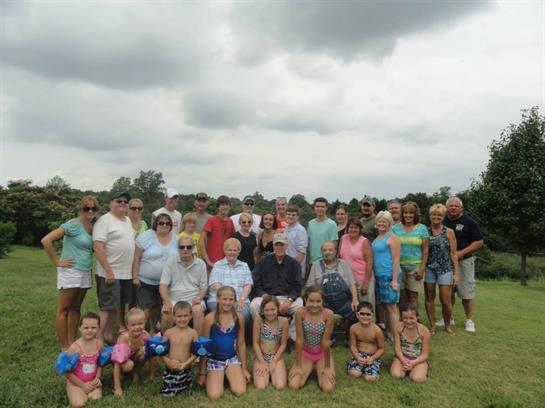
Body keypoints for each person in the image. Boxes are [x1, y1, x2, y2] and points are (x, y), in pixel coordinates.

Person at [42, 196, 100, 350]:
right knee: (64, 309)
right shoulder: (73, 225)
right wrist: (57, 262)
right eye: (87, 208)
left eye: (93, 208)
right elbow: (46, 240)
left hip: (85, 271)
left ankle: (72, 341)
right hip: (71, 271)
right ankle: (64, 346)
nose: (90, 211)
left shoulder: (93, 227)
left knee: (76, 308)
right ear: (80, 209)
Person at [93, 191, 135, 344]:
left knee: (115, 306)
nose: (123, 204)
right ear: (111, 203)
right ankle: (97, 339)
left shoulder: (127, 220)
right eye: (119, 201)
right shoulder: (104, 221)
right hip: (110, 273)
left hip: (125, 273)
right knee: (106, 307)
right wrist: (108, 271)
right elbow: (98, 247)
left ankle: (108, 336)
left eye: (125, 202)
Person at [199, 286, 251, 400]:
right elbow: (204, 346)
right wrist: (202, 373)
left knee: (240, 391)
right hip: (214, 360)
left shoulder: (238, 318)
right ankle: (217, 375)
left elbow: (241, 344)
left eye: (231, 299)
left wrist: (244, 369)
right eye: (224, 299)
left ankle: (229, 374)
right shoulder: (209, 318)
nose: (227, 302)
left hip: (231, 359)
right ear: (218, 299)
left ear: (235, 300)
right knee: (214, 395)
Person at [441, 196, 483, 333]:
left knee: (466, 292)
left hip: (464, 261)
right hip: (446, 262)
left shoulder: (469, 222)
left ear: (461, 208)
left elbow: (479, 242)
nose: (453, 208)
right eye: (451, 205)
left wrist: (461, 252)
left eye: (456, 206)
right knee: (448, 292)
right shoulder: (442, 220)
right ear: (446, 208)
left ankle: (469, 320)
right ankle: (449, 317)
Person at [250, 232, 303, 341]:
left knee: (300, 306)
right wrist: (264, 295)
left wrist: (289, 300)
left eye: (282, 245)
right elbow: (256, 283)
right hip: (267, 297)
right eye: (277, 245)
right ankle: (265, 333)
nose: (279, 247)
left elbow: (297, 286)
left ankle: (290, 337)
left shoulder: (294, 264)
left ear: (286, 246)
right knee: (254, 305)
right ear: (273, 246)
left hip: (286, 297)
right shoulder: (263, 262)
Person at [132, 213, 178, 335]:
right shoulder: (145, 237)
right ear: (156, 224)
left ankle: (153, 331)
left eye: (167, 223)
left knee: (158, 308)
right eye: (161, 222)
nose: (164, 225)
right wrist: (135, 277)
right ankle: (141, 333)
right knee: (146, 308)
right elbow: (136, 257)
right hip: (145, 281)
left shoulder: (176, 239)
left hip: (166, 283)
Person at [288, 286, 335, 392]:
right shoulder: (300, 313)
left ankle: (320, 366)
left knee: (327, 388)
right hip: (306, 353)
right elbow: (299, 340)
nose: (315, 305)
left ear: (322, 301)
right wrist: (298, 366)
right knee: (294, 385)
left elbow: (326, 342)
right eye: (311, 301)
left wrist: (327, 367)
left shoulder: (328, 314)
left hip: (322, 354)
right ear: (305, 300)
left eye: (318, 301)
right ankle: (309, 367)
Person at [307, 241, 358, 333]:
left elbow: (352, 284)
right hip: (324, 304)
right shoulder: (316, 265)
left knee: (354, 309)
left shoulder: (343, 264)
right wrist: (313, 303)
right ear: (321, 252)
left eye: (330, 250)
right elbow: (310, 288)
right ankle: (326, 337)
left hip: (344, 303)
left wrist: (355, 299)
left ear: (335, 251)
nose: (328, 252)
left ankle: (349, 336)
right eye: (325, 250)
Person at [160, 236, 208, 334]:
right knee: (167, 312)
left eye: (189, 247)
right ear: (178, 248)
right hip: (174, 299)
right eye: (182, 247)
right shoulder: (170, 262)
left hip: (193, 298)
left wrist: (198, 298)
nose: (185, 249)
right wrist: (167, 302)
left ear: (193, 248)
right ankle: (165, 340)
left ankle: (197, 341)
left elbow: (204, 288)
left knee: (198, 310)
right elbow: (163, 286)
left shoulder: (201, 264)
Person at [425, 204, 460, 336]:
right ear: (430, 216)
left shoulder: (449, 232)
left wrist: (456, 273)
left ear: (443, 217)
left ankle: (447, 326)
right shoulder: (425, 231)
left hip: (445, 269)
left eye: (439, 215)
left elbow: (454, 253)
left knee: (445, 299)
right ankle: (433, 326)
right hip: (429, 268)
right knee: (429, 297)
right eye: (434, 214)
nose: (436, 217)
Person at [393, 202, 429, 314]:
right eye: (405, 213)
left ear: (415, 214)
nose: (408, 215)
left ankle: (414, 319)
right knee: (401, 297)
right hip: (399, 267)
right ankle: (403, 320)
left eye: (411, 213)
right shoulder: (395, 228)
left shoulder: (422, 228)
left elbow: (425, 249)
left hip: (415, 267)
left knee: (413, 297)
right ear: (402, 214)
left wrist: (422, 268)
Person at [207, 238, 253, 324]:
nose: (232, 252)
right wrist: (229, 301)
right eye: (229, 250)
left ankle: (238, 333)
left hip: (240, 300)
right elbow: (215, 284)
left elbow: (248, 285)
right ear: (225, 251)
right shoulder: (218, 265)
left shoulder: (244, 266)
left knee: (244, 314)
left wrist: (242, 299)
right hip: (219, 300)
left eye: (235, 250)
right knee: (223, 313)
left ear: (239, 252)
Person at [372, 211, 401, 340]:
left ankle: (396, 335)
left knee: (391, 307)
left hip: (389, 275)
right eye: (379, 221)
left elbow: (396, 259)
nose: (381, 223)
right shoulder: (378, 237)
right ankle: (389, 331)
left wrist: (394, 280)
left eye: (384, 221)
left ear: (390, 223)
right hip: (379, 275)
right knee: (385, 305)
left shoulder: (392, 237)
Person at [64, 312, 103, 407]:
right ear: (80, 328)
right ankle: (70, 387)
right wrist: (82, 385)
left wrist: (98, 378)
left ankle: (87, 390)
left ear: (98, 328)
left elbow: (100, 363)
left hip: (92, 380)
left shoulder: (99, 344)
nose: (90, 330)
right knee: (79, 404)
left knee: (96, 398)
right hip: (76, 382)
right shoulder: (74, 348)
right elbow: (67, 372)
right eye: (86, 327)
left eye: (93, 327)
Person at [160, 301, 199, 397]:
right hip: (170, 369)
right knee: (167, 394)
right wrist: (168, 362)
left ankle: (184, 386)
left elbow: (196, 352)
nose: (182, 319)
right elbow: (161, 351)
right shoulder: (168, 333)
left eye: (185, 316)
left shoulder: (193, 333)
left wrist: (187, 363)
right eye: (179, 316)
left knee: (186, 393)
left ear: (191, 316)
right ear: (173, 317)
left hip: (186, 369)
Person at [113, 307, 153, 396]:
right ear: (127, 326)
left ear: (145, 322)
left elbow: (152, 355)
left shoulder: (146, 336)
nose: (137, 327)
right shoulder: (124, 338)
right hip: (123, 362)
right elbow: (117, 363)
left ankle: (135, 372)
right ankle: (123, 374)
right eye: (133, 325)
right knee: (128, 365)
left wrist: (152, 375)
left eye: (140, 323)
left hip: (134, 358)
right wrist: (117, 388)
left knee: (146, 350)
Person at [252, 295, 289, 390]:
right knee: (261, 386)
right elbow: (255, 343)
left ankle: (275, 370)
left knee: (280, 386)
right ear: (262, 310)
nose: (270, 313)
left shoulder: (284, 321)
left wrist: (274, 361)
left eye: (272, 309)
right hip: (262, 356)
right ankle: (264, 371)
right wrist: (262, 362)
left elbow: (283, 344)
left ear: (278, 308)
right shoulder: (259, 320)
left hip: (276, 356)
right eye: (266, 310)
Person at [390, 304, 431, 384]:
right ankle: (407, 369)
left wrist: (413, 363)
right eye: (405, 318)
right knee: (396, 375)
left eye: (411, 318)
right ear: (401, 318)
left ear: (417, 317)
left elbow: (425, 354)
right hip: (402, 357)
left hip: (418, 359)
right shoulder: (398, 327)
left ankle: (419, 368)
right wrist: (403, 360)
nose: (408, 321)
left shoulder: (424, 331)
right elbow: (397, 349)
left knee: (418, 379)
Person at [339, 218, 375, 307]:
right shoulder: (343, 238)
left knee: (366, 307)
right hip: (348, 281)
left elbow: (369, 263)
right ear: (347, 228)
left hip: (362, 279)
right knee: (352, 307)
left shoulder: (364, 241)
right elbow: (339, 257)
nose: (353, 230)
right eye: (351, 227)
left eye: (356, 228)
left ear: (360, 229)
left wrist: (366, 283)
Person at [347, 302, 385, 382]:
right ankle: (357, 367)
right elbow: (353, 346)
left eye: (368, 314)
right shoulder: (353, 328)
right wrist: (357, 357)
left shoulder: (377, 331)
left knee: (369, 378)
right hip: (359, 355)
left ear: (372, 315)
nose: (365, 316)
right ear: (357, 315)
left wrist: (372, 358)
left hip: (372, 357)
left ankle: (373, 372)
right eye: (362, 314)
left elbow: (381, 349)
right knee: (354, 374)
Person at [200, 195, 235, 270]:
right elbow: (201, 241)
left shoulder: (230, 221)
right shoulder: (211, 220)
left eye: (227, 205)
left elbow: (233, 242)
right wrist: (207, 261)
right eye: (222, 205)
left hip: (227, 263)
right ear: (218, 207)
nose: (225, 207)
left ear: (230, 207)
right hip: (213, 263)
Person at [307, 197, 338, 266]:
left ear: (326, 208)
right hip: (312, 262)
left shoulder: (332, 224)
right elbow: (309, 243)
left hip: (326, 262)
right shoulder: (310, 223)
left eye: (322, 207)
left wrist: (330, 263)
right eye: (317, 206)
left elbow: (334, 245)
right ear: (314, 208)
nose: (320, 209)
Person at [285, 206, 308, 278]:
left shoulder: (301, 230)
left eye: (293, 215)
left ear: (298, 217)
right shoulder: (286, 228)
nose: (290, 216)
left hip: (295, 268)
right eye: (288, 214)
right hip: (286, 266)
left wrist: (292, 267)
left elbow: (301, 252)